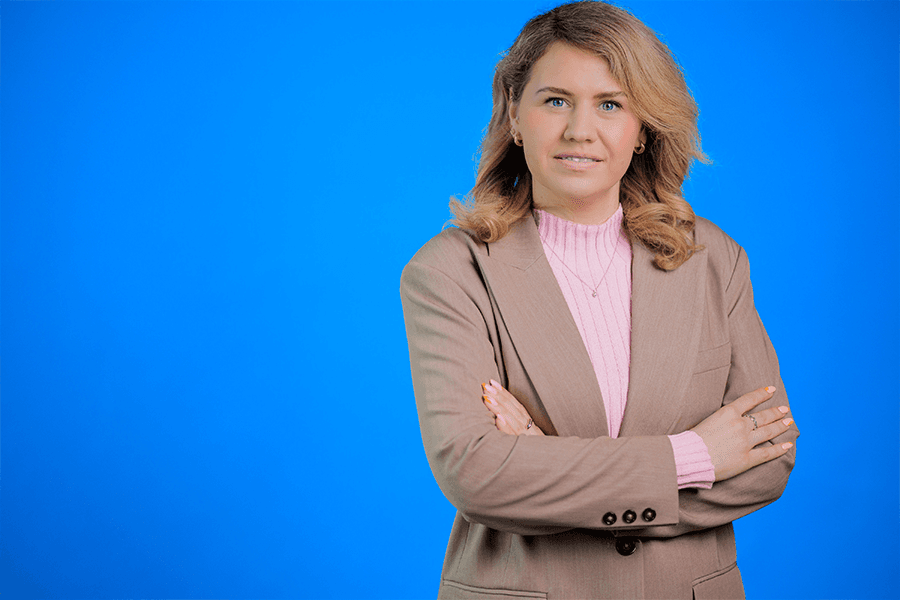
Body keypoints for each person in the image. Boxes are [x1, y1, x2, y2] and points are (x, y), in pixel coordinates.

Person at [399, 1, 799, 598]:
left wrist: (548, 472)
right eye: (555, 100)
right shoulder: (451, 272)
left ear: (644, 130)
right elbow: (477, 473)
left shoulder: (714, 260)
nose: (579, 131)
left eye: (611, 104)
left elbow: (768, 459)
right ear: (515, 114)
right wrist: (694, 456)